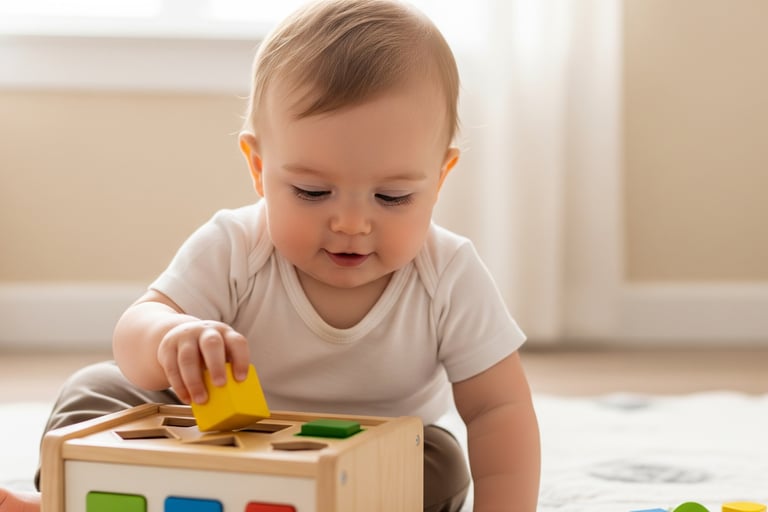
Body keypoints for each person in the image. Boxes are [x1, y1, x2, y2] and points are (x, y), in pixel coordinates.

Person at [0, 1, 540, 511]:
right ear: (258, 167)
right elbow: (133, 337)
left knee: (440, 462)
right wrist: (172, 337)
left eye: (392, 197)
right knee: (94, 388)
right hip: (221, 436)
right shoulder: (237, 245)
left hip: (369, 454)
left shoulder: (448, 274)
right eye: (311, 191)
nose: (351, 223)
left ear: (440, 178)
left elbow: (498, 409)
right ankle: (72, 500)